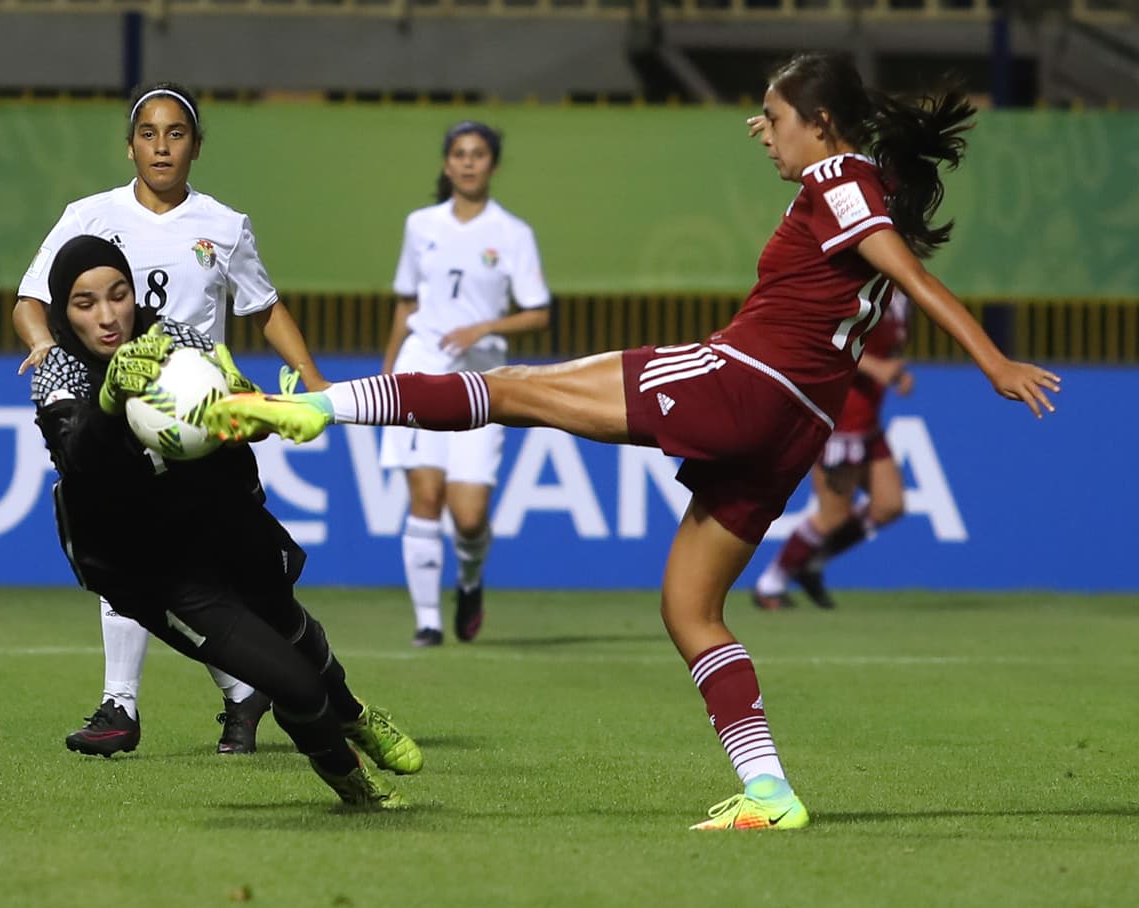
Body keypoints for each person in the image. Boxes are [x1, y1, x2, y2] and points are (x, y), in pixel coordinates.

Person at [204, 53, 1061, 830]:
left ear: (822, 124)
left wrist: (990, 360)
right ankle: (769, 792)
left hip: (744, 382)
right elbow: (884, 261)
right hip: (793, 427)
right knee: (689, 610)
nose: (761, 129)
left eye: (773, 114)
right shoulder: (857, 178)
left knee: (514, 393)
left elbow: (901, 267)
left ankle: (318, 408)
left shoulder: (839, 175)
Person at [30, 234, 421, 808]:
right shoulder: (59, 371)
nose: (108, 315)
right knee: (289, 681)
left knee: (293, 628)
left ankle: (356, 715)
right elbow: (81, 464)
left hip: (217, 521)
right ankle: (355, 785)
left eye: (118, 295)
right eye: (85, 304)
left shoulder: (171, 340)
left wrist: (262, 412)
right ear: (64, 313)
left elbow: (233, 410)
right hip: (153, 570)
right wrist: (110, 403)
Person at [13, 81, 326, 757]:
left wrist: (315, 383)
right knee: (120, 543)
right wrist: (42, 344)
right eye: (148, 133)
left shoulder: (224, 225)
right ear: (129, 145)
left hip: (198, 423)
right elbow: (30, 298)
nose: (161, 145)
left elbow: (264, 308)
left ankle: (257, 691)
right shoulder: (89, 216)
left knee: (217, 576)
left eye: (176, 133)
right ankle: (125, 704)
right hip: (114, 413)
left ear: (196, 147)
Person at [381, 121, 551, 647]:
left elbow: (539, 313)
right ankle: (428, 621)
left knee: (470, 516)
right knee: (425, 496)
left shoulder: (512, 234)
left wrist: (484, 326)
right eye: (459, 154)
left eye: (479, 154)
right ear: (447, 163)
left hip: (481, 380)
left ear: (492, 165)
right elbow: (406, 302)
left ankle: (471, 580)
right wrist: (389, 375)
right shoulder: (421, 225)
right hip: (423, 364)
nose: (469, 162)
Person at [753, 287, 915, 611]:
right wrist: (877, 369)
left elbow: (881, 345)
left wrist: (894, 370)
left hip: (867, 421)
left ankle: (811, 563)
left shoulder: (900, 295)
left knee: (889, 505)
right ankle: (771, 583)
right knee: (833, 514)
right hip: (841, 419)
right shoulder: (858, 287)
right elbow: (828, 345)